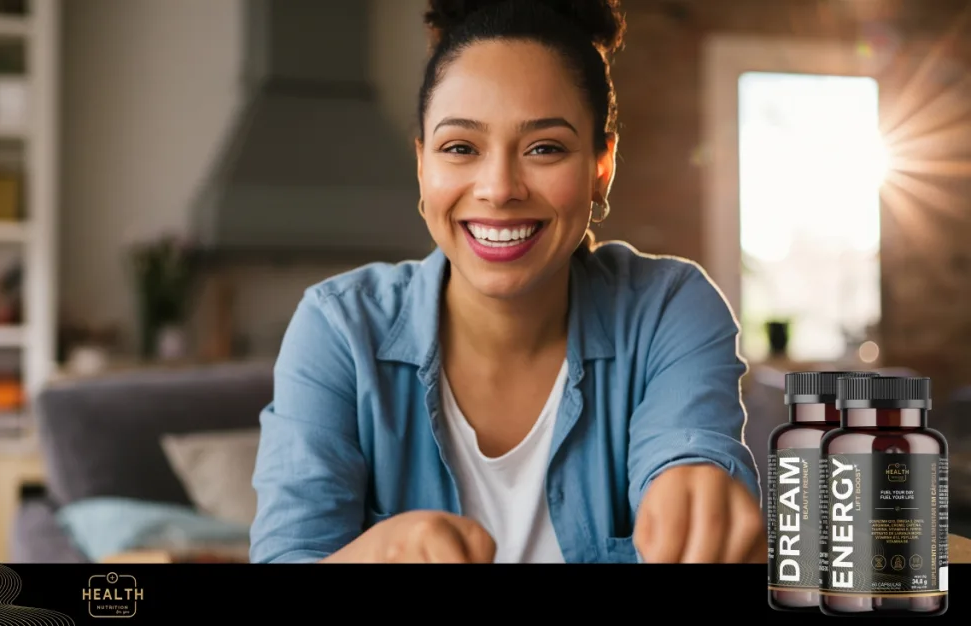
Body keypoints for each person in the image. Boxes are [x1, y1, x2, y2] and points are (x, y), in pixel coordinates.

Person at [250, 0, 763, 564]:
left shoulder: (670, 310)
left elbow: (686, 451)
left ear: (601, 167)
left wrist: (693, 487)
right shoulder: (338, 331)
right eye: (460, 148)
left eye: (545, 148)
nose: (498, 188)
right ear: (423, 166)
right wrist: (374, 555)